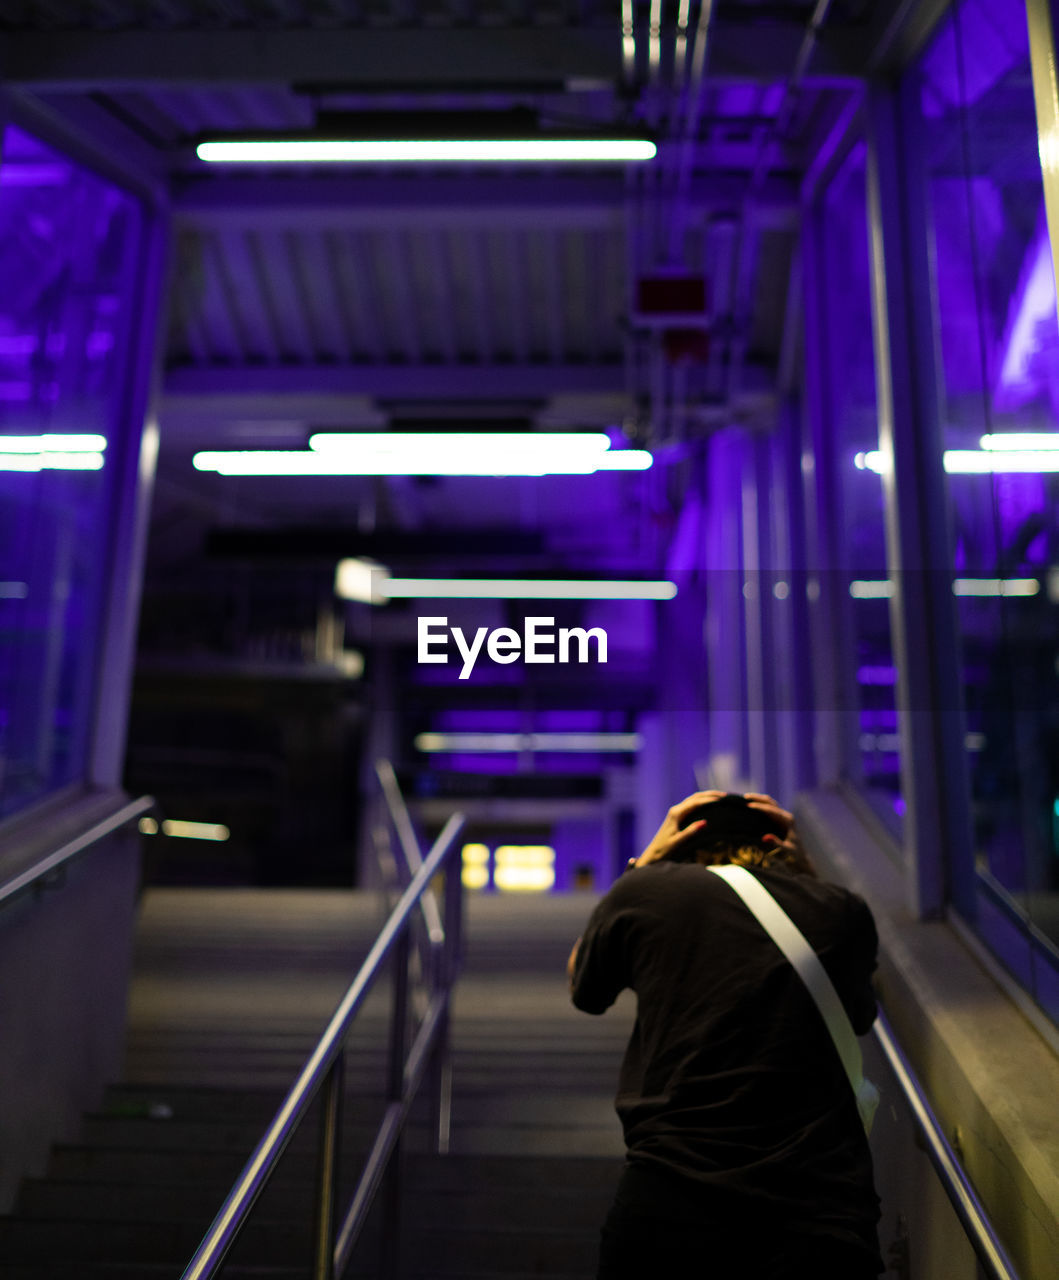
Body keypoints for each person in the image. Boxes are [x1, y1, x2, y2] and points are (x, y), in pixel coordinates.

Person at [568, 790, 883, 1279]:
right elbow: (859, 1016)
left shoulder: (647, 893)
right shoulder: (840, 909)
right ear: (779, 845)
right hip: (817, 1211)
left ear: (681, 846)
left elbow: (586, 986)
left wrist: (643, 867)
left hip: (671, 1197)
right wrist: (808, 874)